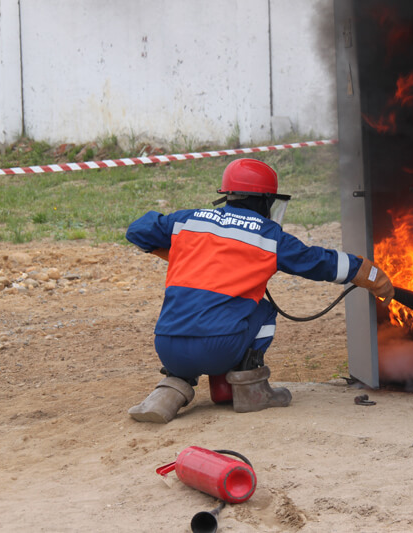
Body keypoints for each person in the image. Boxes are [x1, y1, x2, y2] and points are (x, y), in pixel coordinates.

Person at [125, 158, 394, 423]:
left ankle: (170, 391)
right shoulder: (268, 236)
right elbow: (319, 262)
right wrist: (369, 273)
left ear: (227, 196)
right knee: (264, 310)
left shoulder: (187, 221)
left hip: (167, 347)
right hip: (218, 351)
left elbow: (137, 231)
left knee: (196, 315)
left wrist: (182, 255)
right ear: (265, 201)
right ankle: (250, 390)